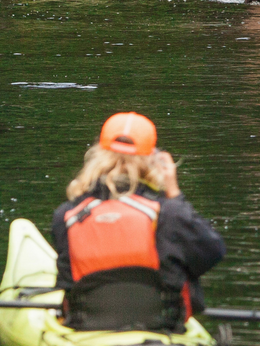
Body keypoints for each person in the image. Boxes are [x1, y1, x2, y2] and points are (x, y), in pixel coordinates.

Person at [51, 112, 226, 332]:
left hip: (86, 328)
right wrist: (174, 194)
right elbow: (213, 252)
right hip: (162, 328)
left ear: (98, 155)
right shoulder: (170, 213)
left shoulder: (67, 215)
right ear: (153, 159)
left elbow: (68, 276)